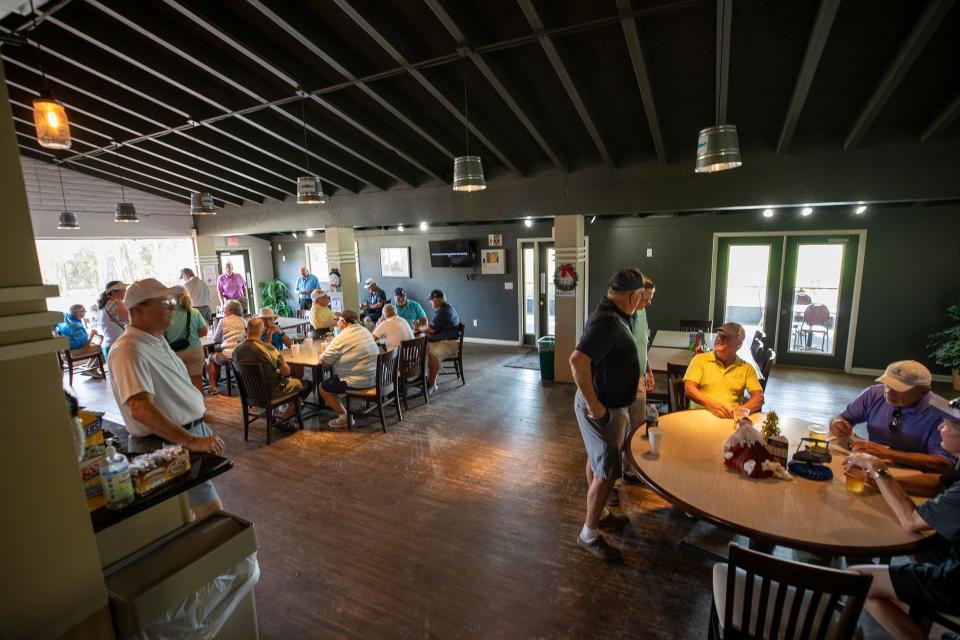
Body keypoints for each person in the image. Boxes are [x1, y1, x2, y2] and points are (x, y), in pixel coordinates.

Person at [107, 278, 225, 519]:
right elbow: (140, 409)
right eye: (164, 302)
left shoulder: (157, 340)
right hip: (165, 444)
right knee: (205, 513)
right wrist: (190, 440)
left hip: (184, 436)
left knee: (188, 514)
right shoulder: (129, 350)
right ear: (138, 309)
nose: (172, 307)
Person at [845, 395, 960, 640]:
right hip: (951, 548)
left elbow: (911, 520)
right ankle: (918, 600)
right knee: (915, 545)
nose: (941, 426)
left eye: (949, 424)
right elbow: (936, 484)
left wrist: (877, 467)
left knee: (856, 580)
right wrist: (884, 479)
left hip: (956, 576)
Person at [568, 268, 646, 561]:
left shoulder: (610, 311)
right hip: (604, 408)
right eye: (641, 298)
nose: (641, 302)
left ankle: (599, 513)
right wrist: (595, 406)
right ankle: (589, 533)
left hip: (609, 404)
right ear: (632, 296)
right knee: (607, 471)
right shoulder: (608, 321)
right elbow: (577, 362)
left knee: (596, 460)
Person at [829, 360, 955, 474]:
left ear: (923, 391)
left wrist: (888, 454)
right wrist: (838, 423)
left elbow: (944, 463)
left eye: (898, 388)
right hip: (871, 466)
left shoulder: (943, 414)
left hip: (914, 475)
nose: (888, 392)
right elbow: (842, 418)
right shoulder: (874, 393)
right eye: (887, 384)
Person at [232, 318, 314, 422]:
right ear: (262, 331)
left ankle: (275, 413)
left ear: (245, 329)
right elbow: (286, 372)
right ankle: (283, 419)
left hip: (248, 393)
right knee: (307, 385)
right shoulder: (267, 349)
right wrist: (277, 372)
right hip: (271, 392)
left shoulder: (236, 350)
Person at [683, 322, 764, 418]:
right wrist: (712, 405)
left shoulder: (747, 368)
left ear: (739, 344)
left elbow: (759, 398)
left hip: (729, 419)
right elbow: (689, 389)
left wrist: (740, 411)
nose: (719, 338)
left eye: (726, 336)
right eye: (719, 334)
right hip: (699, 417)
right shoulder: (699, 359)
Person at [622, 274, 657, 487]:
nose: (649, 303)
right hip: (622, 380)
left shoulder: (642, 313)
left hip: (639, 378)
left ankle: (631, 468)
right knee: (622, 426)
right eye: (647, 298)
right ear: (635, 295)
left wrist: (648, 370)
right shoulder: (623, 317)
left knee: (638, 424)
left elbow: (642, 345)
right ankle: (619, 472)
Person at [317, 310, 379, 429]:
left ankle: (344, 417)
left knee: (323, 387)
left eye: (338, 321)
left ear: (344, 322)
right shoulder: (365, 331)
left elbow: (324, 361)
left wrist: (324, 351)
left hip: (358, 381)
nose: (337, 324)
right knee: (334, 380)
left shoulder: (341, 337)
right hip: (375, 376)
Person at [164, 290, 208, 392]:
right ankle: (199, 406)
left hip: (175, 354)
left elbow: (161, 336)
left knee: (180, 384)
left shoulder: (167, 315)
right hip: (195, 351)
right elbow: (204, 332)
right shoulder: (194, 312)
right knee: (197, 381)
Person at [421, 289, 461, 393]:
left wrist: (418, 328)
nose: (430, 303)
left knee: (433, 355)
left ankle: (431, 384)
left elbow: (431, 329)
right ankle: (423, 376)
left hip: (449, 343)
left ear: (437, 300)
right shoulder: (444, 309)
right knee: (420, 349)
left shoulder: (445, 312)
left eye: (431, 300)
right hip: (441, 341)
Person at [207, 300, 246, 396]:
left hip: (228, 356)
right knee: (219, 352)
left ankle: (213, 387)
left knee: (211, 356)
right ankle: (221, 379)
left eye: (224, 309)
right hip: (241, 355)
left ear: (230, 310)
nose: (223, 311)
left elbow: (215, 339)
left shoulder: (223, 321)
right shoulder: (243, 321)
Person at [94, 281, 128, 358]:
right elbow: (131, 322)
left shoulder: (103, 305)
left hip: (109, 345)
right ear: (113, 292)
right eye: (124, 290)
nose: (126, 292)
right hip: (119, 346)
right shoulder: (115, 304)